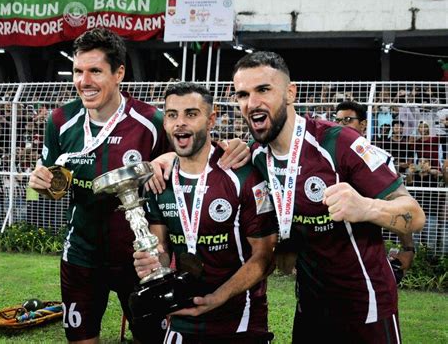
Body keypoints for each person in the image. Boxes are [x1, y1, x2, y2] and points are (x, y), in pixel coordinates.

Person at [28, 28, 249, 344]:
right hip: (81, 256)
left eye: (94, 71)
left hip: (141, 260)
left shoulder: (151, 120)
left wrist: (234, 145)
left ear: (119, 73)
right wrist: (41, 183)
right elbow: (53, 186)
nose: (83, 81)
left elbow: (196, 150)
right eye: (78, 71)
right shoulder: (60, 121)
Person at [232, 51, 425, 343]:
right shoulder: (256, 156)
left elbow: (414, 214)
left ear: (290, 93)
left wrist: (366, 207)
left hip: (365, 308)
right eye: (242, 94)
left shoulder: (338, 142)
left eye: (263, 90)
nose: (252, 103)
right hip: (309, 309)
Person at [134, 82, 278, 343]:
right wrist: (154, 263)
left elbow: (265, 256)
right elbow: (162, 250)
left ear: (211, 119)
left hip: (240, 319)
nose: (180, 123)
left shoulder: (242, 174)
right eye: (172, 115)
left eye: (191, 114)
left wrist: (217, 298)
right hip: (182, 317)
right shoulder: (159, 181)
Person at [334, 102, 415, 282]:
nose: (340, 126)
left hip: (364, 247)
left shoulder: (380, 159)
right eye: (337, 120)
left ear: (363, 125)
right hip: (324, 248)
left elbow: (398, 205)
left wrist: (408, 248)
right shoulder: (321, 158)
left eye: (347, 120)